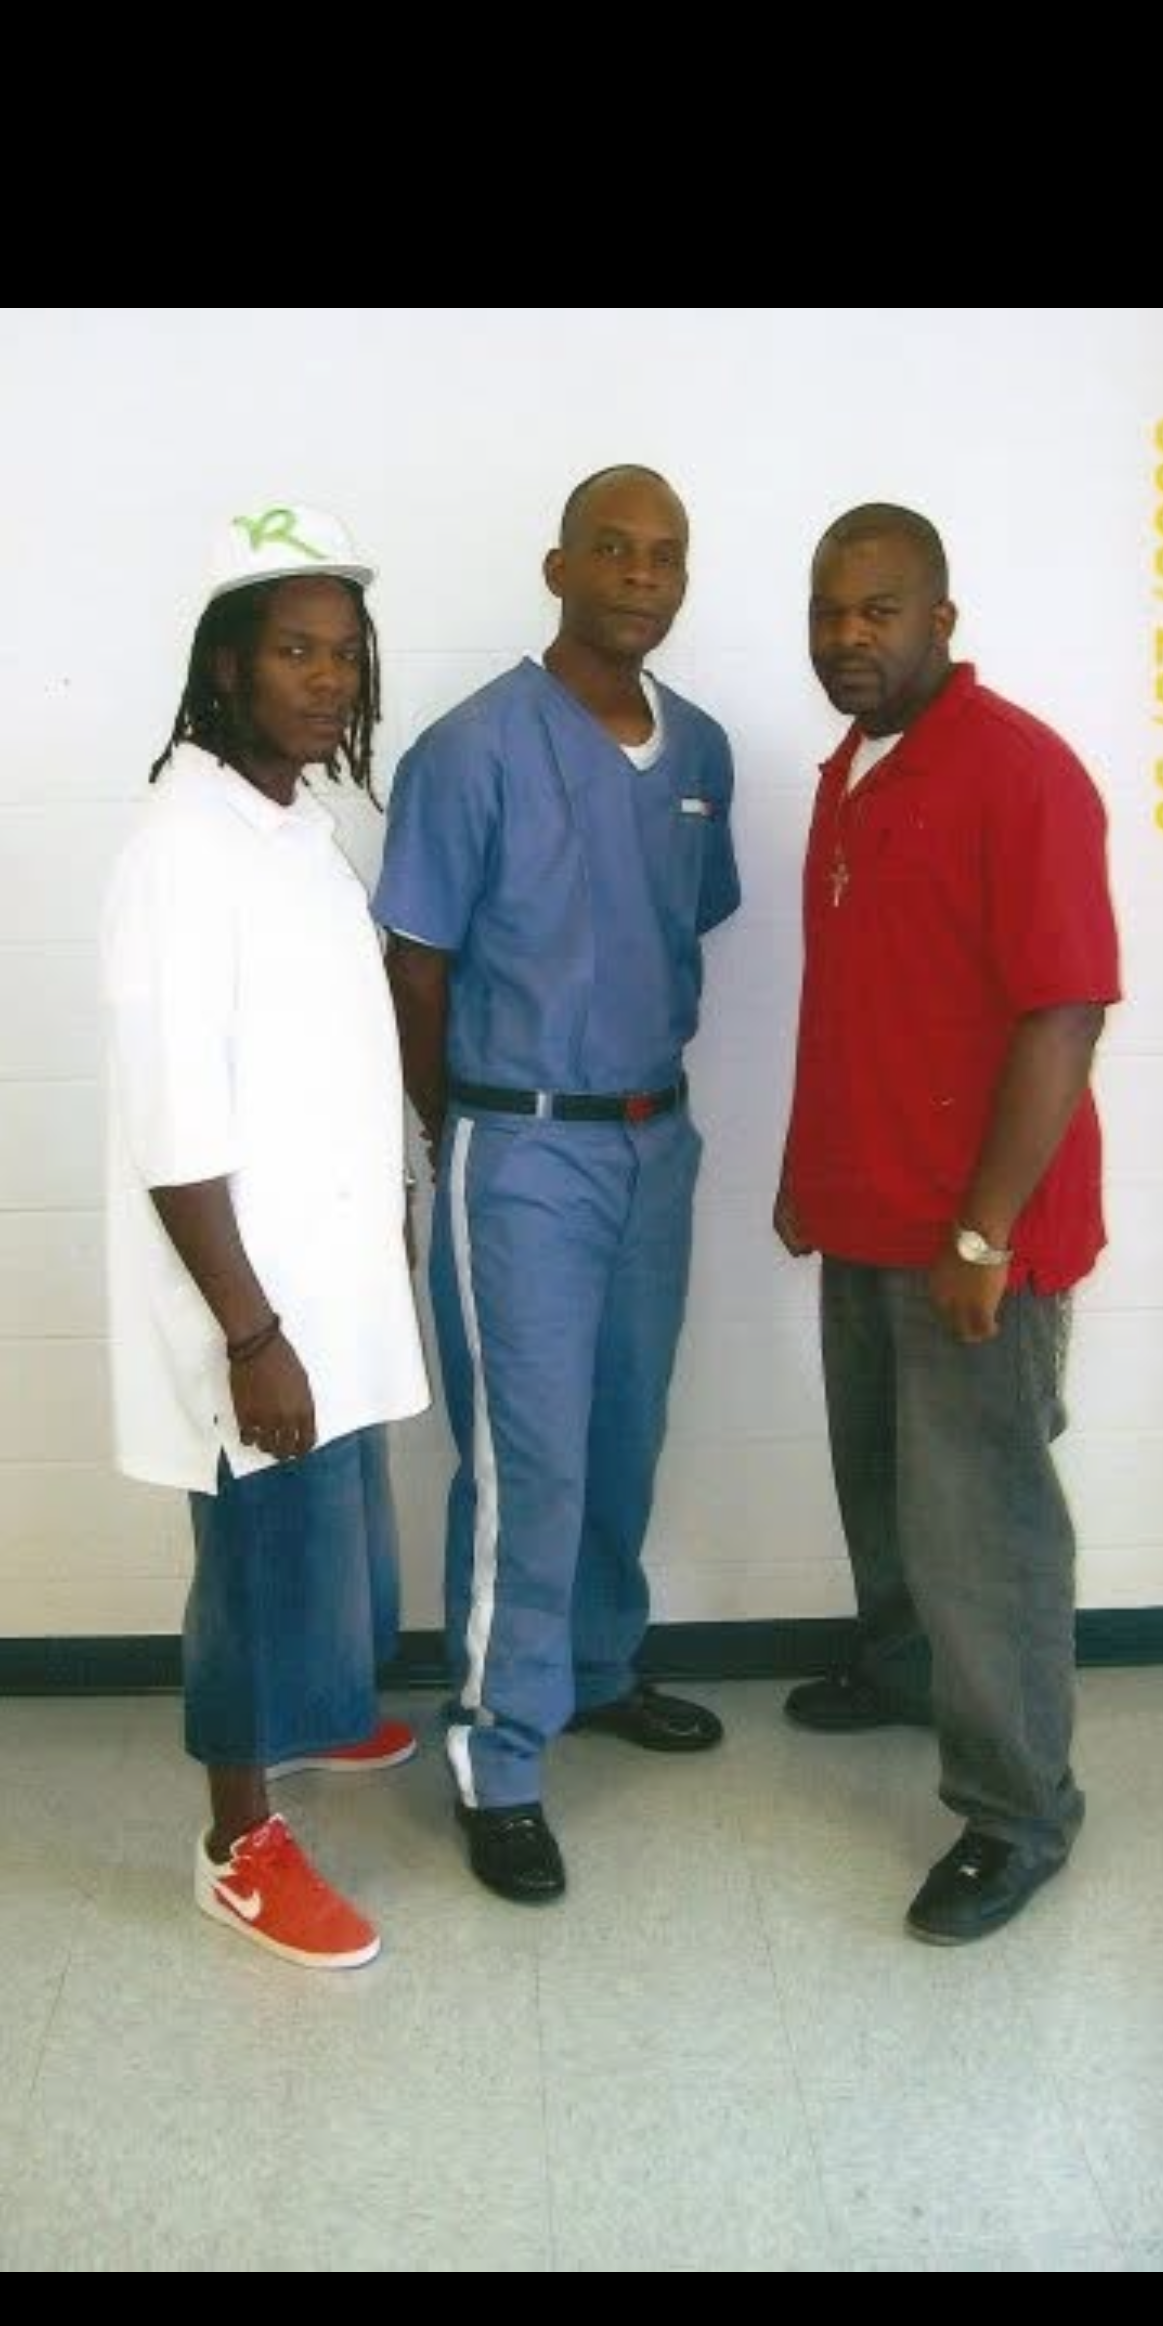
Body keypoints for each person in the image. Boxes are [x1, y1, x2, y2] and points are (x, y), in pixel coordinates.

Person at [374, 465, 740, 1903]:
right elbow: (415, 968)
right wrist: (449, 1127)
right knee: (529, 1462)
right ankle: (499, 1750)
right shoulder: (472, 749)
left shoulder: (701, 749)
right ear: (559, 566)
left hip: (655, 1140)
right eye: (614, 548)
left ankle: (595, 1669)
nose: (641, 574)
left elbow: (679, 925)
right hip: (519, 1147)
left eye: (666, 555)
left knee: (623, 1435)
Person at [775, 502, 1121, 1944]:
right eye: (829, 610)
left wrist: (984, 1236)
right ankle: (904, 1668)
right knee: (882, 1484)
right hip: (867, 1209)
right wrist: (807, 1167)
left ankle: (1018, 1809)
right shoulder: (851, 770)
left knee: (984, 1526)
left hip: (979, 1241)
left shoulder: (1020, 771)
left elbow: (1065, 1012)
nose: (849, 636)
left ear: (941, 621)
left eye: (880, 609)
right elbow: (857, 991)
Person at [102, 501, 429, 1970]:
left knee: (333, 1526)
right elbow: (173, 1128)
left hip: (326, 1270)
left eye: (344, 653)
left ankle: (318, 1705)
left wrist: (389, 1209)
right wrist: (250, 1332)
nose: (328, 678)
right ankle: (236, 1841)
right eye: (295, 651)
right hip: (252, 1293)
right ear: (226, 666)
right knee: (252, 1553)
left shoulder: (299, 830)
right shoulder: (181, 847)